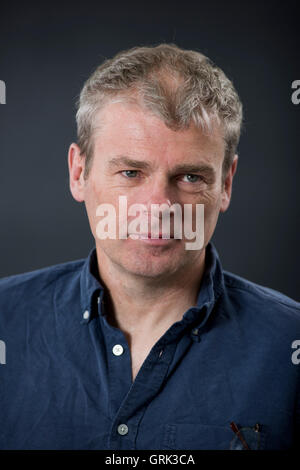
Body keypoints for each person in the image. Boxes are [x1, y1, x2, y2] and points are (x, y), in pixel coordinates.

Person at [0, 44, 299, 450]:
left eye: (191, 177)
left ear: (226, 183)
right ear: (78, 172)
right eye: (130, 171)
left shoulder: (288, 347)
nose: (159, 207)